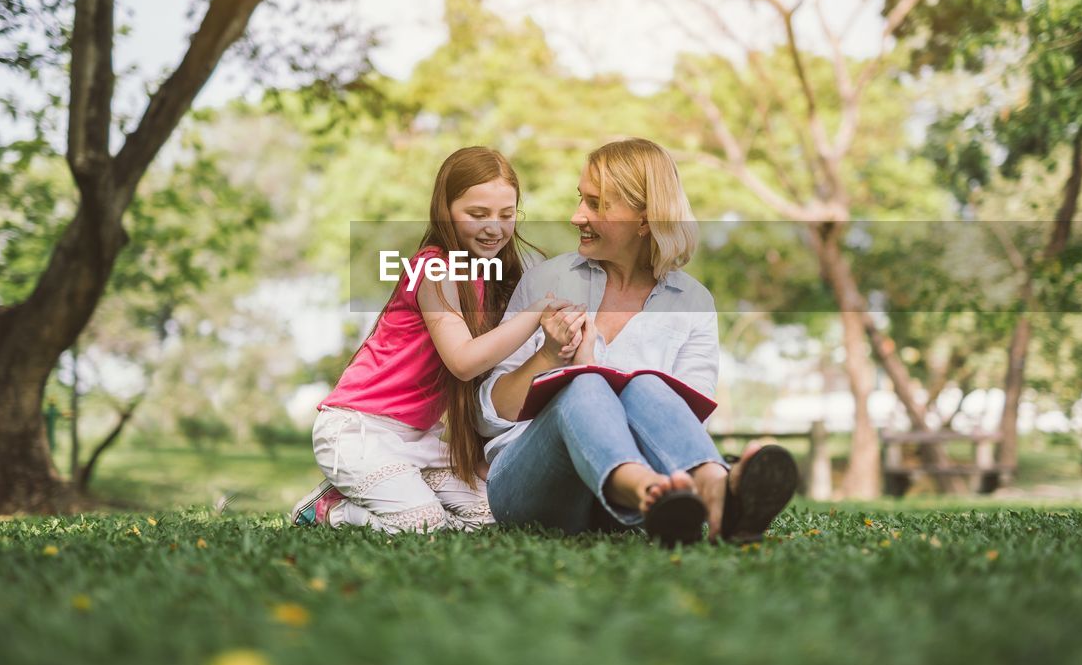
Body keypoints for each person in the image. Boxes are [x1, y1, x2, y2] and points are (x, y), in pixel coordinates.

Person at [476, 138, 798, 545]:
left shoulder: (694, 302)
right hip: (531, 490)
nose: (578, 216)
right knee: (586, 382)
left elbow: (683, 426)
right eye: (581, 199)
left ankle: (714, 487)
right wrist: (550, 355)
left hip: (636, 504)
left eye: (596, 204)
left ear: (643, 219)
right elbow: (488, 417)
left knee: (648, 386)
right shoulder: (549, 282)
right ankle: (651, 489)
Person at [290, 147, 586, 533]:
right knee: (425, 526)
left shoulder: (487, 275)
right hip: (361, 431)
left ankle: (376, 491)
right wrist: (534, 315)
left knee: (492, 517)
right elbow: (463, 362)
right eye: (476, 214)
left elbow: (482, 380)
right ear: (444, 210)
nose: (493, 227)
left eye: (506, 215)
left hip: (420, 441)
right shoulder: (433, 268)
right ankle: (330, 510)